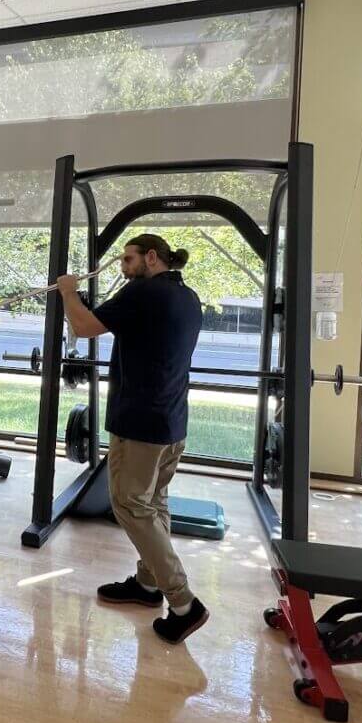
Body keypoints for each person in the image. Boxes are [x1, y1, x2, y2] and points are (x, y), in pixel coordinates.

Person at [56, 234, 208, 644]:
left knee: (129, 504)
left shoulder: (143, 292)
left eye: (128, 259)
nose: (122, 266)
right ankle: (147, 584)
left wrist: (69, 293)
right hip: (172, 423)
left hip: (140, 422)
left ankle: (182, 601)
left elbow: (84, 326)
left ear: (152, 258)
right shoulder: (188, 296)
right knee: (154, 503)